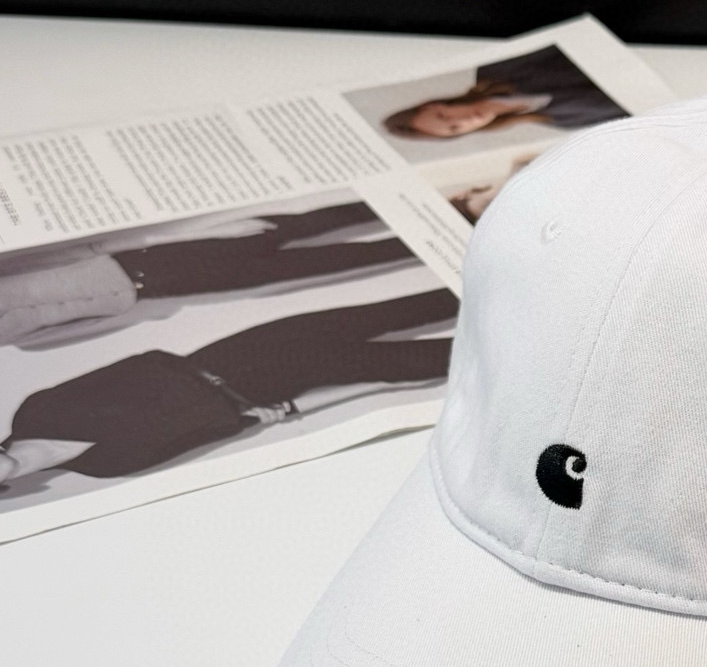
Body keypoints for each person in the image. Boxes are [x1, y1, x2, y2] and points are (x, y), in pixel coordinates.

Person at [0, 288, 456, 488]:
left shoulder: (36, 412)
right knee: (416, 364)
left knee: (389, 314)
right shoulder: (105, 467)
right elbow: (208, 434)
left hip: (229, 359)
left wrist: (199, 395)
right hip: (261, 396)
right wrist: (251, 412)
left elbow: (139, 365)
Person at [0, 200, 416, 345]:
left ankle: (424, 200)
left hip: (156, 257)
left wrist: (206, 232)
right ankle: (423, 240)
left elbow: (86, 249)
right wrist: (141, 311)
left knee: (308, 225)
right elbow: (73, 327)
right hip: (163, 288)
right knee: (327, 263)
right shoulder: (10, 340)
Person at [382, 44, 626, 142]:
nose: (463, 121)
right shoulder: (560, 122)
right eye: (454, 128)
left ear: (435, 104)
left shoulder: (497, 66)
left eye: (444, 116)